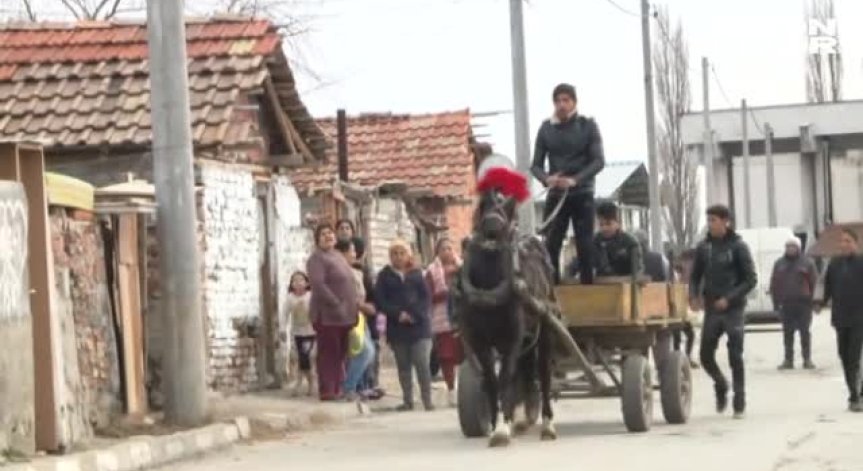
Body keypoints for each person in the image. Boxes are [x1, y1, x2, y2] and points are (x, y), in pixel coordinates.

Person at [531, 82, 605, 285]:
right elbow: (535, 166)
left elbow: (598, 161)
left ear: (574, 102)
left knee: (584, 244)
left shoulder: (587, 125)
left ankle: (587, 288)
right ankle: (552, 289)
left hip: (582, 193)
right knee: (550, 245)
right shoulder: (546, 129)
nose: (561, 105)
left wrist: (575, 180)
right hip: (556, 195)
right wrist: (547, 179)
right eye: (557, 101)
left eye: (566, 100)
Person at [689, 205, 757, 418]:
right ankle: (721, 384)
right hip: (712, 309)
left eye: (714, 220)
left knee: (735, 354)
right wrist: (694, 296)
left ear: (726, 221)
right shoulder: (704, 248)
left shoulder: (738, 247)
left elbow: (751, 280)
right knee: (705, 355)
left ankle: (739, 401)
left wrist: (730, 298)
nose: (710, 224)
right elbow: (695, 276)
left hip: (733, 309)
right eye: (708, 220)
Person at [375, 240, 434, 412]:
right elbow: (381, 301)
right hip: (397, 328)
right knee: (403, 365)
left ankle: (427, 400)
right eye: (394, 253)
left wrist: (414, 315)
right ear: (390, 256)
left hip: (419, 327)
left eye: (402, 253)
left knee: (422, 363)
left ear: (408, 255)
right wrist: (398, 314)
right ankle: (408, 401)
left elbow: (426, 298)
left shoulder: (417, 274)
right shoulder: (384, 276)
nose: (398, 257)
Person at [306, 223, 358, 401]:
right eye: (323, 234)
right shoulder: (316, 259)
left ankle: (338, 388)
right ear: (317, 240)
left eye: (330, 233)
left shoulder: (337, 255)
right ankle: (328, 390)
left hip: (345, 316)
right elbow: (319, 285)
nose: (328, 236)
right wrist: (336, 303)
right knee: (329, 353)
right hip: (327, 316)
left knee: (341, 353)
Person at [819, 228, 863, 412]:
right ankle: (855, 390)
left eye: (848, 241)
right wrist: (819, 303)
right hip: (840, 317)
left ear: (856, 243)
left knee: (853, 357)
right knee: (843, 356)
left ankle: (855, 396)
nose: (844, 244)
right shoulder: (834, 263)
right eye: (841, 241)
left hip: (859, 318)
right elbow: (827, 286)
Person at [335, 239, 377, 401]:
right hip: (348, 316)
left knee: (366, 351)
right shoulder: (338, 274)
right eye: (351, 251)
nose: (354, 254)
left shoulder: (357, 272)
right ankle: (349, 387)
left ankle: (356, 387)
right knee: (364, 351)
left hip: (360, 316)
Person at [425, 238, 463, 407]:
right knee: (447, 357)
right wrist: (446, 293)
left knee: (465, 355)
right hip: (442, 319)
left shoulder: (462, 268)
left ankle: (467, 390)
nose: (447, 251)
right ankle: (451, 391)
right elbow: (428, 296)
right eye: (443, 249)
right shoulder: (432, 272)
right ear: (437, 252)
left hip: (463, 318)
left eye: (450, 248)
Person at [770, 237, 818, 370]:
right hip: (786, 305)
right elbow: (774, 284)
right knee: (787, 333)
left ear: (798, 248)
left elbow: (815, 283)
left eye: (793, 246)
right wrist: (776, 303)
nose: (790, 249)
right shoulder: (779, 263)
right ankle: (788, 360)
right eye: (788, 246)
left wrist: (815, 301)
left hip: (803, 304)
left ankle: (807, 359)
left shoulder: (807, 263)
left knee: (804, 332)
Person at [284, 271, 315, 397]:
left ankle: (305, 383)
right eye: (295, 281)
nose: (298, 283)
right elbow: (284, 314)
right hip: (297, 333)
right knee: (300, 359)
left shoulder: (310, 297)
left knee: (307, 357)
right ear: (291, 285)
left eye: (301, 280)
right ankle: (306, 382)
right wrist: (283, 329)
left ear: (307, 283)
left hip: (311, 332)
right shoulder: (290, 298)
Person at [593, 201, 642, 279]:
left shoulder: (630, 243)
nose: (604, 228)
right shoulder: (594, 242)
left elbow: (637, 272)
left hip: (624, 286)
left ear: (618, 223)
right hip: (600, 287)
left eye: (608, 224)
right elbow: (576, 264)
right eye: (601, 224)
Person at [671, 249, 699, 368]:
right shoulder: (678, 280)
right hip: (677, 314)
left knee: (687, 335)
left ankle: (684, 358)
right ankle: (683, 359)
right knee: (684, 335)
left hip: (680, 313)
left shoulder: (678, 278)